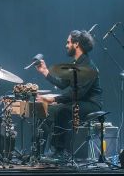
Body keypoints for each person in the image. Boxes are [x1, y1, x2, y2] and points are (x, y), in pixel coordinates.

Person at [36, 30, 102, 159]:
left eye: (68, 42)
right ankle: (40, 152)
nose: (66, 45)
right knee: (47, 110)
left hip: (91, 103)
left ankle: (61, 151)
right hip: (80, 101)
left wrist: (54, 99)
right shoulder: (75, 64)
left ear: (76, 44)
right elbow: (62, 84)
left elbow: (77, 93)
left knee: (63, 111)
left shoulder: (88, 66)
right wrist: (45, 71)